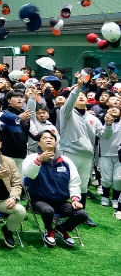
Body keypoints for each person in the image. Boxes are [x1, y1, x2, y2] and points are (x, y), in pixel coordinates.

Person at [23, 130, 87, 247]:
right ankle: (49, 230)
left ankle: (61, 229)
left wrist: (75, 199)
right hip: (38, 200)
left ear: (56, 142)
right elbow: (28, 174)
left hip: (60, 202)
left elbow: (74, 182)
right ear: (38, 143)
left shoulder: (66, 161)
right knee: (48, 210)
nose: (48, 139)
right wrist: (39, 160)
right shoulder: (31, 158)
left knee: (82, 214)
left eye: (51, 138)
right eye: (44, 138)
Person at [58, 74, 104, 227]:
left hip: (87, 155)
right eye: (79, 96)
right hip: (69, 152)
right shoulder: (66, 112)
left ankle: (81, 215)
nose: (82, 97)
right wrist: (78, 87)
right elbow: (71, 100)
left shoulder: (93, 118)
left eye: (84, 96)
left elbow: (104, 135)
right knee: (64, 183)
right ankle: (59, 214)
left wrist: (109, 124)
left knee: (83, 186)